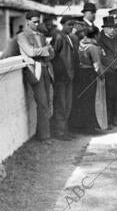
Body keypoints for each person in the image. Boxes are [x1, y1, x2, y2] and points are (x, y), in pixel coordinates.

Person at [17, 11, 55, 143]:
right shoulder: (22, 36)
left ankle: (42, 133)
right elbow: (30, 52)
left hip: (46, 70)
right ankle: (45, 137)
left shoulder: (42, 35)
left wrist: (46, 51)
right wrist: (45, 50)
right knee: (43, 103)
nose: (37, 24)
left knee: (48, 102)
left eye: (39, 21)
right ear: (27, 21)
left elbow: (51, 55)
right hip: (35, 72)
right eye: (35, 21)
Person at [50, 16, 77, 141]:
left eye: (72, 25)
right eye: (69, 24)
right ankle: (59, 132)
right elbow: (53, 56)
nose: (71, 27)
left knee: (67, 104)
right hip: (61, 77)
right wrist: (59, 73)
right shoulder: (59, 37)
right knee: (61, 104)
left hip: (69, 76)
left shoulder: (69, 37)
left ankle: (64, 130)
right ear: (63, 25)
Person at [77, 26, 106, 134]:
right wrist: (102, 76)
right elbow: (97, 65)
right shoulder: (93, 47)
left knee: (83, 100)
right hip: (89, 74)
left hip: (80, 73)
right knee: (90, 101)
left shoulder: (80, 44)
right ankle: (89, 127)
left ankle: (82, 126)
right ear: (95, 35)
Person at [98, 16, 117, 127]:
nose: (112, 30)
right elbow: (102, 56)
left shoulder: (115, 40)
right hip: (108, 71)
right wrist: (115, 64)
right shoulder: (101, 41)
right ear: (104, 28)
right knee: (108, 97)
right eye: (110, 28)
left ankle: (116, 118)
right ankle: (108, 120)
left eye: (113, 28)